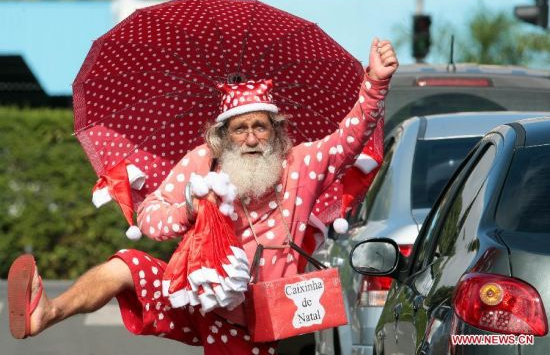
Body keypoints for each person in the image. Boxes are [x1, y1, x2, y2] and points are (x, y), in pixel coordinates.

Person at [7, 38, 398, 354]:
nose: (249, 139)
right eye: (239, 129)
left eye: (259, 127)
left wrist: (375, 83)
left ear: (275, 130)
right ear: (223, 135)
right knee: (126, 266)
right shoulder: (203, 163)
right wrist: (188, 210)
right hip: (204, 304)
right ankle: (47, 311)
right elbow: (150, 216)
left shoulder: (300, 163)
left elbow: (351, 136)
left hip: (274, 315)